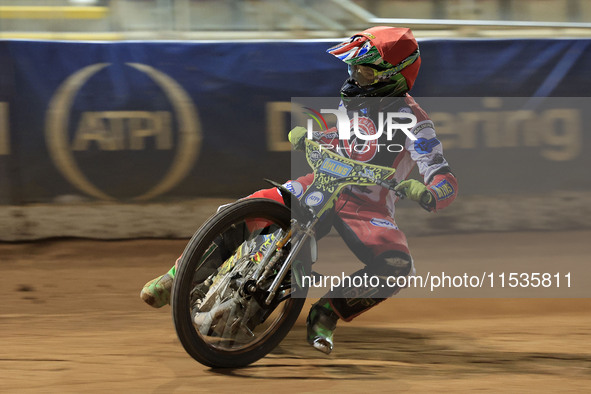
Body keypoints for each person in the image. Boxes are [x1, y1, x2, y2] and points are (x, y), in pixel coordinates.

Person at [141, 26, 458, 355]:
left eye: (364, 71)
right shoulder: (356, 99)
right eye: (353, 69)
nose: (354, 77)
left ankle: (326, 313)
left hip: (367, 207)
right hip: (322, 182)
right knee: (245, 208)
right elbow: (346, 137)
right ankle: (175, 278)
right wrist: (314, 136)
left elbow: (443, 175)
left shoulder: (415, 123)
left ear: (391, 77)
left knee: (397, 265)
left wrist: (429, 193)